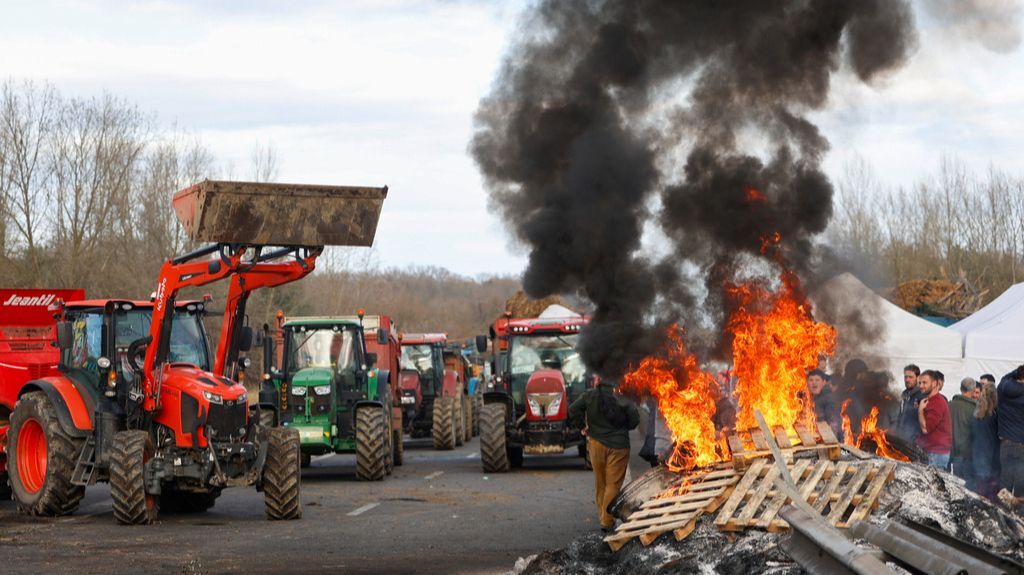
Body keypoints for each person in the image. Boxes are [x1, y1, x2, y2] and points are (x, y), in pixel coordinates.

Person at [568, 376, 640, 532]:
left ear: (598, 380)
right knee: (613, 484)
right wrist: (622, 429)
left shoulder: (590, 395)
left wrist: (583, 426)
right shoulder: (622, 396)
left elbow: (573, 409)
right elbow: (635, 419)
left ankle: (603, 516)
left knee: (600, 483)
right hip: (619, 447)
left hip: (596, 445)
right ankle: (606, 521)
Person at [997, 365, 1024, 502]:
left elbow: (1004, 378)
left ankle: (1002, 514)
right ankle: (1020, 516)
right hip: (1021, 445)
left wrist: (1016, 373)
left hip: (1006, 444)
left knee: (1005, 482)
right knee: (1021, 484)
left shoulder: (1003, 388)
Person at [916, 370, 952, 470]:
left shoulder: (937, 403)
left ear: (935, 383)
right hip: (932, 452)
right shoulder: (929, 400)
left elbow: (926, 429)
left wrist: (920, 411)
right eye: (920, 383)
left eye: (924, 383)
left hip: (936, 455)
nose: (921, 386)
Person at [972, 381, 1001, 501]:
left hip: (978, 453)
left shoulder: (976, 414)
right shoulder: (995, 414)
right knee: (991, 489)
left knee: (980, 487)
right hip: (992, 455)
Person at [949, 377, 979, 488]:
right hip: (967, 454)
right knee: (967, 487)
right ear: (973, 390)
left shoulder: (949, 405)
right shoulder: (974, 409)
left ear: (961, 388)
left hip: (950, 451)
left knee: (955, 486)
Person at [807, 369, 840, 437]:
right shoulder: (805, 399)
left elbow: (833, 425)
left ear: (824, 382)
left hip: (825, 441)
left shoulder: (829, 399)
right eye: (811, 380)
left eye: (817, 380)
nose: (814, 383)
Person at [896, 365, 924, 442]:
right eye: (905, 377)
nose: (907, 380)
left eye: (911, 377)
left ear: (918, 378)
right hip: (902, 440)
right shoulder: (904, 395)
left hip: (916, 443)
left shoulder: (922, 395)